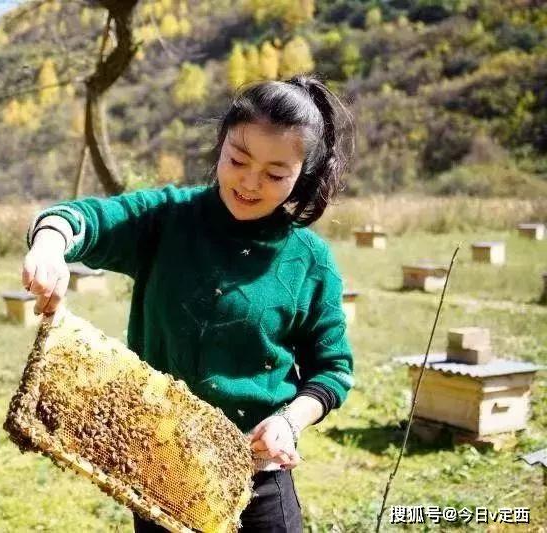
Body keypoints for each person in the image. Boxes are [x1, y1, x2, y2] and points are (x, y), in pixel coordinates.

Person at [21, 75, 355, 533]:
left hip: (259, 478)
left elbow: (332, 370)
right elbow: (80, 218)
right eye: (238, 159)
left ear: (303, 176)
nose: (250, 182)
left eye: (275, 174)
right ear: (220, 145)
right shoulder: (167, 219)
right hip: (162, 469)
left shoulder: (311, 261)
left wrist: (289, 422)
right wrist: (49, 245)